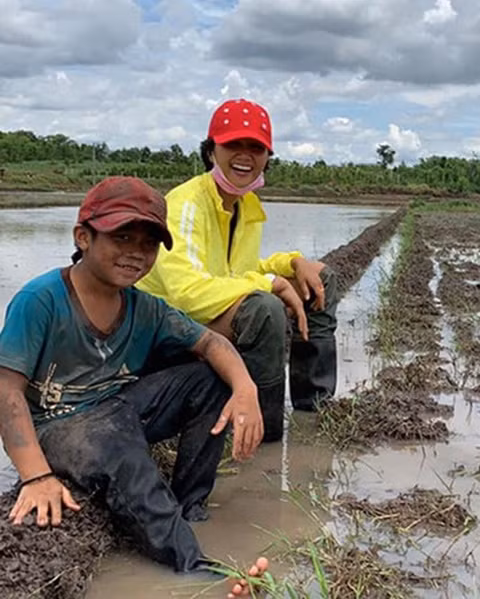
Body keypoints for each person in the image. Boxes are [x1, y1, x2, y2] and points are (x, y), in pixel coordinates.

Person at [0, 176, 268, 584]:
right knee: (118, 449)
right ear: (83, 237)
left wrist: (245, 388)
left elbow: (212, 342)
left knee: (209, 379)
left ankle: (190, 505)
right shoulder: (41, 300)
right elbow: (6, 392)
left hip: (119, 408)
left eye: (148, 244)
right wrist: (37, 476)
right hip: (59, 425)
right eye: (121, 237)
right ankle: (196, 572)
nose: (135, 254)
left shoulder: (147, 308)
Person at [138, 98, 339, 443]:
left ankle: (313, 406)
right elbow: (186, 293)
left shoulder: (246, 204)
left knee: (320, 279)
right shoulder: (186, 204)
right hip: (166, 327)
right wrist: (269, 283)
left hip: (206, 312)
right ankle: (262, 433)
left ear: (267, 157)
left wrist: (290, 263)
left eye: (256, 147)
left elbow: (238, 271)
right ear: (211, 150)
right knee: (265, 309)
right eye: (233, 144)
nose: (245, 155)